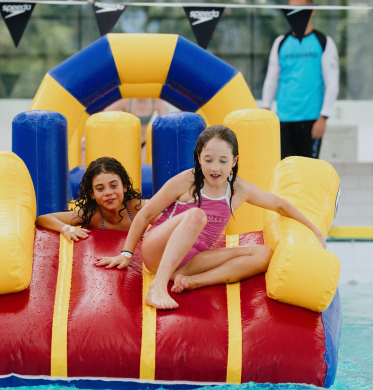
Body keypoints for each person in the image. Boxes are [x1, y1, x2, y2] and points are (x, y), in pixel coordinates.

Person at [96, 125, 327, 310]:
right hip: (157, 251)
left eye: (223, 161)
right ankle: (158, 286)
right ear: (198, 158)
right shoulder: (186, 180)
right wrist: (127, 253)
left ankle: (194, 282)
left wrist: (314, 231)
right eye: (208, 160)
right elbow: (145, 214)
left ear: (234, 161)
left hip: (190, 262)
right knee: (196, 215)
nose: (215, 168)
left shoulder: (239, 189)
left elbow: (280, 205)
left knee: (264, 253)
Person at [261, 0, 339, 159]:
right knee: (285, 172)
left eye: (300, 9)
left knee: (308, 173)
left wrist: (324, 117)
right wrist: (266, 111)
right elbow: (271, 79)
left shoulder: (324, 41)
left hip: (312, 120)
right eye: (291, 9)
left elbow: (332, 83)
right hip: (283, 120)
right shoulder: (280, 42)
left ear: (311, 11)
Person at [35, 157, 144, 241]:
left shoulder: (137, 207)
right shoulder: (92, 215)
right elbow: (43, 219)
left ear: (124, 187)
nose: (108, 193)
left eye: (114, 186)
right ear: (92, 193)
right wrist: (66, 229)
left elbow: (161, 222)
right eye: (100, 189)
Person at [104, 98, 168, 164]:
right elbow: (104, 115)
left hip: (145, 141)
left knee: (144, 167)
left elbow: (165, 122)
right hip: (129, 142)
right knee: (128, 166)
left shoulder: (155, 100)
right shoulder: (126, 100)